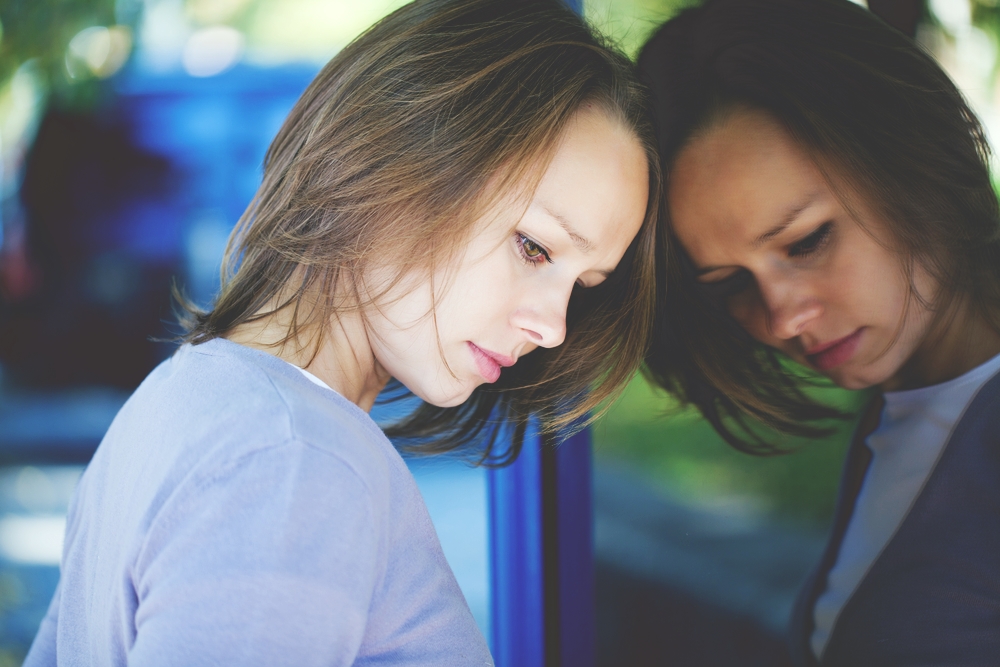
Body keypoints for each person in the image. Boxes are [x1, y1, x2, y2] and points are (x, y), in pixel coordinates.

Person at [24, 0, 661, 664]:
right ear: (398, 154)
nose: (554, 327)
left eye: (584, 286)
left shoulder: (180, 401)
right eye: (534, 247)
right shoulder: (294, 462)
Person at [638, 0, 1000, 664]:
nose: (781, 318)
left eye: (807, 241)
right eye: (730, 284)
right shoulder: (903, 410)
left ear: (910, 157)